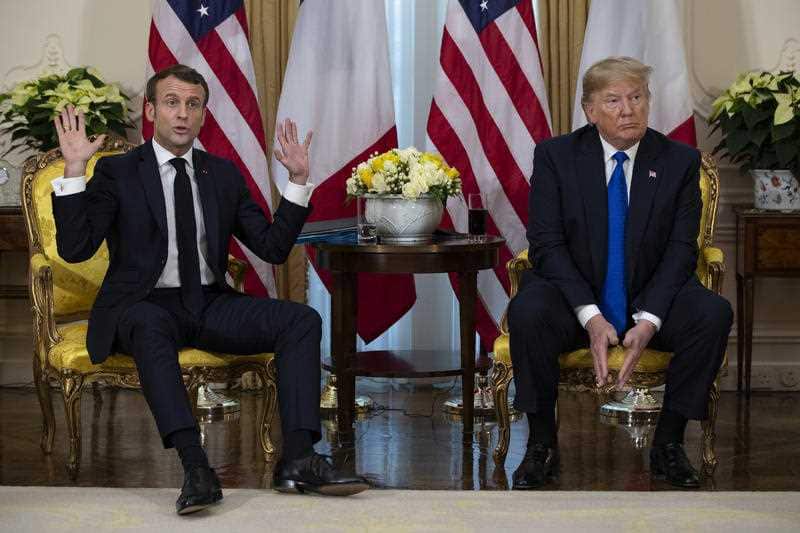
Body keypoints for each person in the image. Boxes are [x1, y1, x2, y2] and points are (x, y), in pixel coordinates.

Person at [51, 64, 368, 514]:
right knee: (147, 323)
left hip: (207, 302)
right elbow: (76, 247)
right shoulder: (117, 173)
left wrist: (298, 182)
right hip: (142, 305)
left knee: (301, 319)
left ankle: (297, 459)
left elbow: (273, 247)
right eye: (172, 103)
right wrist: (76, 168)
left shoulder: (222, 174)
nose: (182, 114)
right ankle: (196, 466)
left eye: (193, 105)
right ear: (150, 110)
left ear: (203, 116)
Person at [507, 56, 733, 490]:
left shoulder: (678, 161)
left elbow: (682, 250)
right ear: (590, 111)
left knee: (712, 313)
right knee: (528, 310)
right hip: (575, 298)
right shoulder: (556, 156)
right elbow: (547, 246)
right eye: (613, 100)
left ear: (648, 103)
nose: (627, 109)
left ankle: (668, 444)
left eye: (636, 97)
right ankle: (541, 444)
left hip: (650, 294)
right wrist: (591, 317)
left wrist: (649, 320)